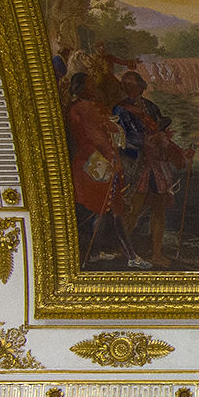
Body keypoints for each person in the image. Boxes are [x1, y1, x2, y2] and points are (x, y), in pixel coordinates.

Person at [111, 71, 182, 269]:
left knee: (159, 208)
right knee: (133, 209)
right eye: (131, 86)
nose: (136, 89)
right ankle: (124, 250)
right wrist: (147, 140)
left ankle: (156, 253)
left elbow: (160, 124)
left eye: (138, 85)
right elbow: (120, 137)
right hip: (137, 164)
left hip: (156, 164)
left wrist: (163, 138)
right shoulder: (120, 110)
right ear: (126, 88)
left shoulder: (150, 106)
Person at [69, 75, 132, 263]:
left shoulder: (91, 106)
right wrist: (110, 154)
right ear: (81, 88)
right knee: (100, 207)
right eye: (90, 85)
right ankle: (94, 251)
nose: (94, 88)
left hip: (102, 160)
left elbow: (105, 129)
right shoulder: (80, 109)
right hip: (93, 162)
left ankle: (103, 248)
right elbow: (94, 137)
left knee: (107, 206)